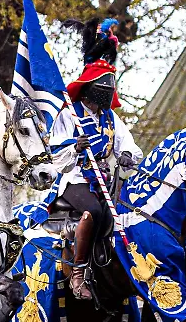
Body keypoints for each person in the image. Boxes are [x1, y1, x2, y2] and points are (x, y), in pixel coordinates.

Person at [51, 18, 142, 300]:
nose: (108, 88)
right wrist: (75, 148)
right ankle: (78, 274)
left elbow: (131, 147)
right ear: (89, 85)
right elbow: (56, 157)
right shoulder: (69, 114)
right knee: (96, 212)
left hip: (106, 180)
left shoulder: (111, 118)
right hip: (76, 180)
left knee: (129, 212)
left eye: (110, 84)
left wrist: (127, 156)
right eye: (103, 83)